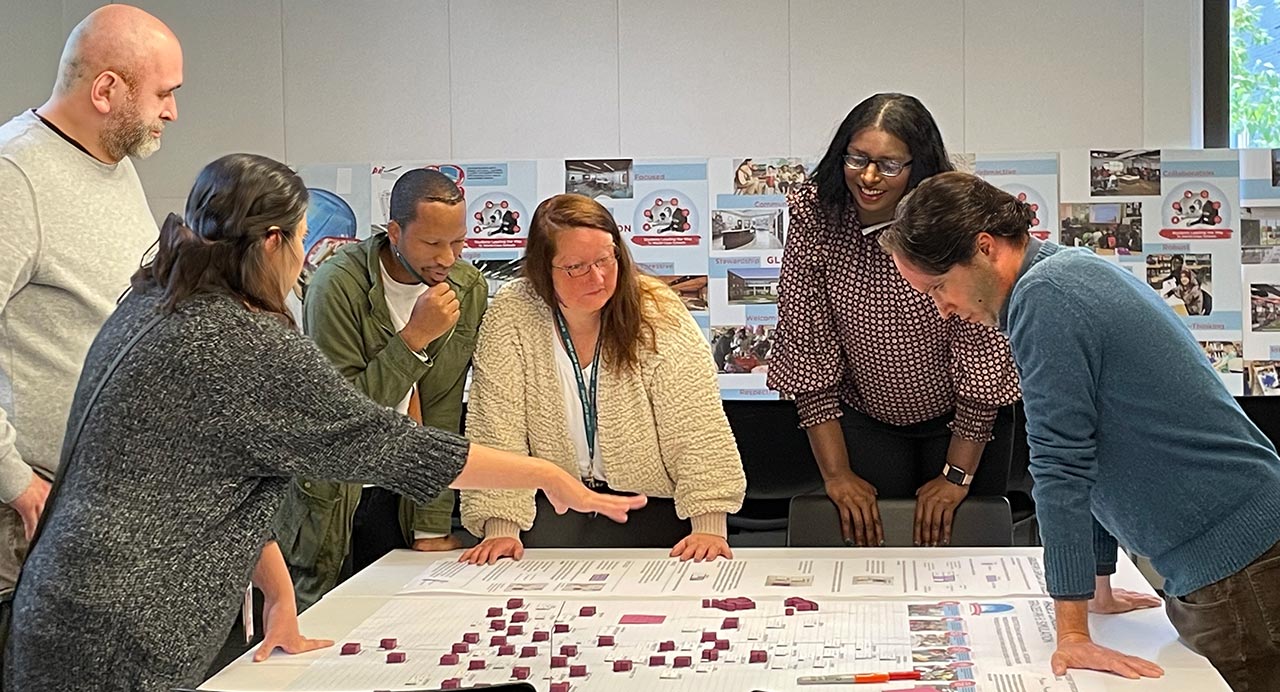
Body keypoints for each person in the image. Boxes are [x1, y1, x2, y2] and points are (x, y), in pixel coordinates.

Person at [3, 154, 644, 692]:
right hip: (122, 632)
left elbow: (204, 480)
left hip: (64, 602)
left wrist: (278, 596)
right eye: (303, 236)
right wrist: (547, 475)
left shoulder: (153, 303)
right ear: (275, 242)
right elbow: (375, 440)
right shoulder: (240, 340)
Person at [880, 171, 1280, 689]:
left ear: (984, 248)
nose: (944, 309)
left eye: (938, 287)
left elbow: (1060, 463)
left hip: (1237, 563)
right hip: (1237, 551)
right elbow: (1091, 446)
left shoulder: (1044, 298)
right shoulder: (1061, 274)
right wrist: (1097, 587)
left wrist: (1072, 631)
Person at [767, 93, 1020, 548]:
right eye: (857, 158)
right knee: (873, 547)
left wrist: (957, 476)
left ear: (917, 166)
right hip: (864, 416)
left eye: (888, 165)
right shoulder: (816, 215)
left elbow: (982, 350)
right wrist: (837, 473)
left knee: (959, 547)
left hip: (963, 419)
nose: (868, 177)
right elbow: (807, 345)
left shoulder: (954, 217)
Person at [459, 194, 745, 565]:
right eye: (576, 267)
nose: (597, 278)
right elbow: (497, 426)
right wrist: (500, 527)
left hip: (649, 507)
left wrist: (708, 524)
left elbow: (695, 422)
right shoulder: (513, 312)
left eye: (605, 259)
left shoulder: (656, 309)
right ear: (543, 270)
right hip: (552, 509)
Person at [0, 4, 181, 587]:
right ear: (106, 90)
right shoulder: (14, 173)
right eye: (163, 94)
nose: (172, 112)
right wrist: (16, 483)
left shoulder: (114, 161)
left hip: (99, 504)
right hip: (30, 513)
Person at [284, 168, 487, 611]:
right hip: (343, 492)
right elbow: (343, 418)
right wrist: (414, 339)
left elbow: (442, 406)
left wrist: (432, 525)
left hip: (413, 484)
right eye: (431, 244)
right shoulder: (335, 286)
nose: (447, 258)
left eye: (458, 242)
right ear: (394, 232)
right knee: (330, 627)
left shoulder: (467, 287)